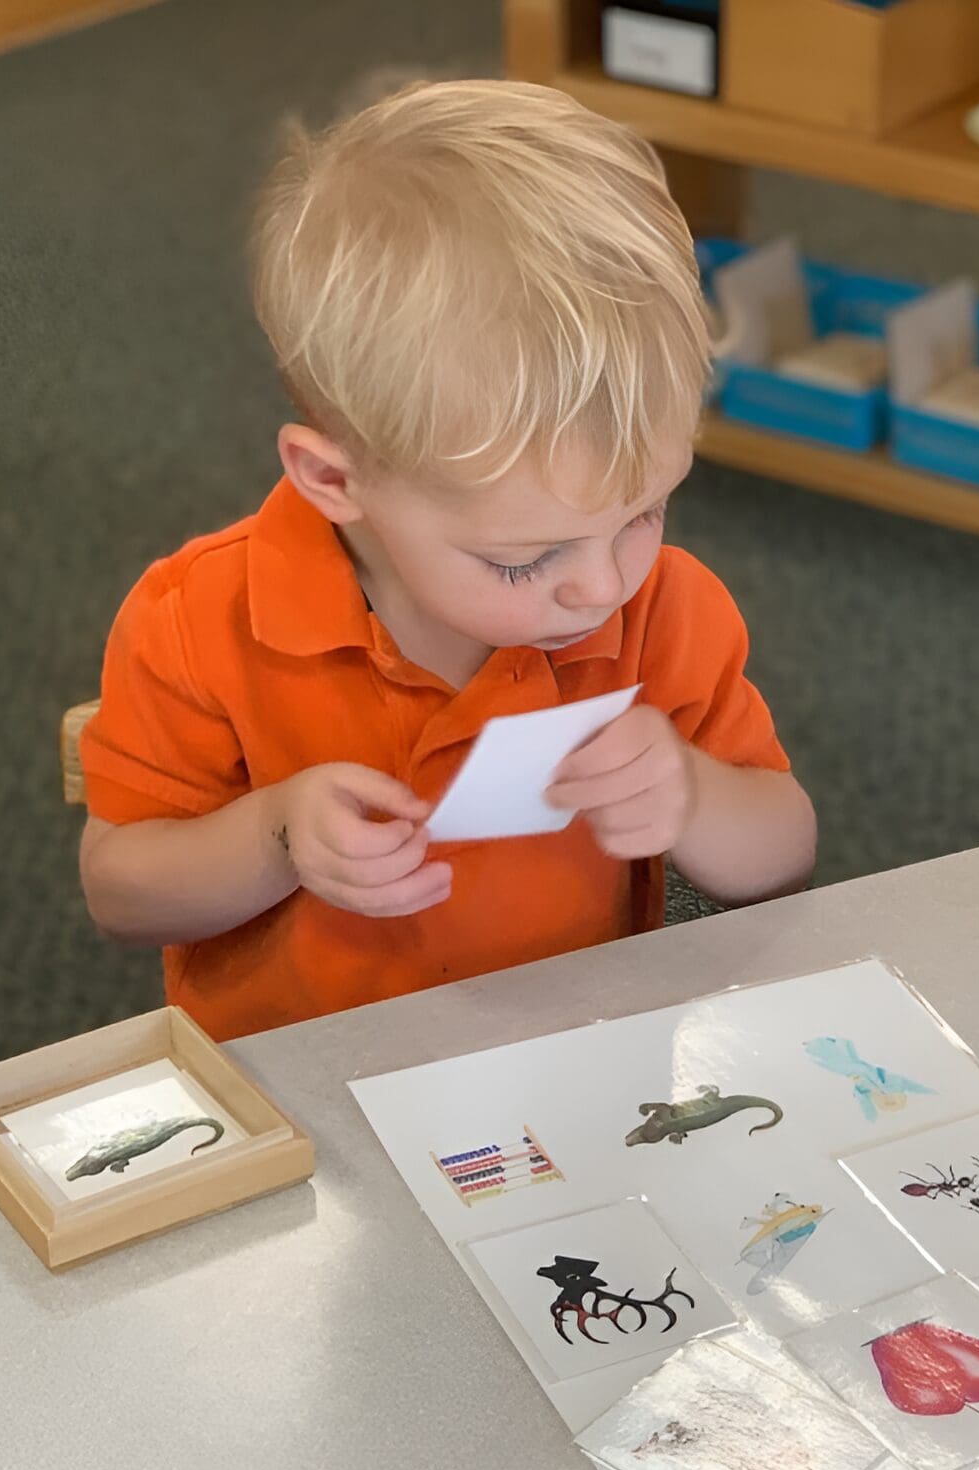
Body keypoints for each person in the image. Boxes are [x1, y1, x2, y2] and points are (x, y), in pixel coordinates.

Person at [77, 79, 816, 1040]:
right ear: (333, 482)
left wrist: (694, 795)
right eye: (525, 560)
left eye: (646, 510)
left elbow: (785, 851)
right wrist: (278, 838)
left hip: (574, 1062)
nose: (604, 585)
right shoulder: (197, 618)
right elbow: (121, 896)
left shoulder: (668, 608)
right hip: (308, 1095)